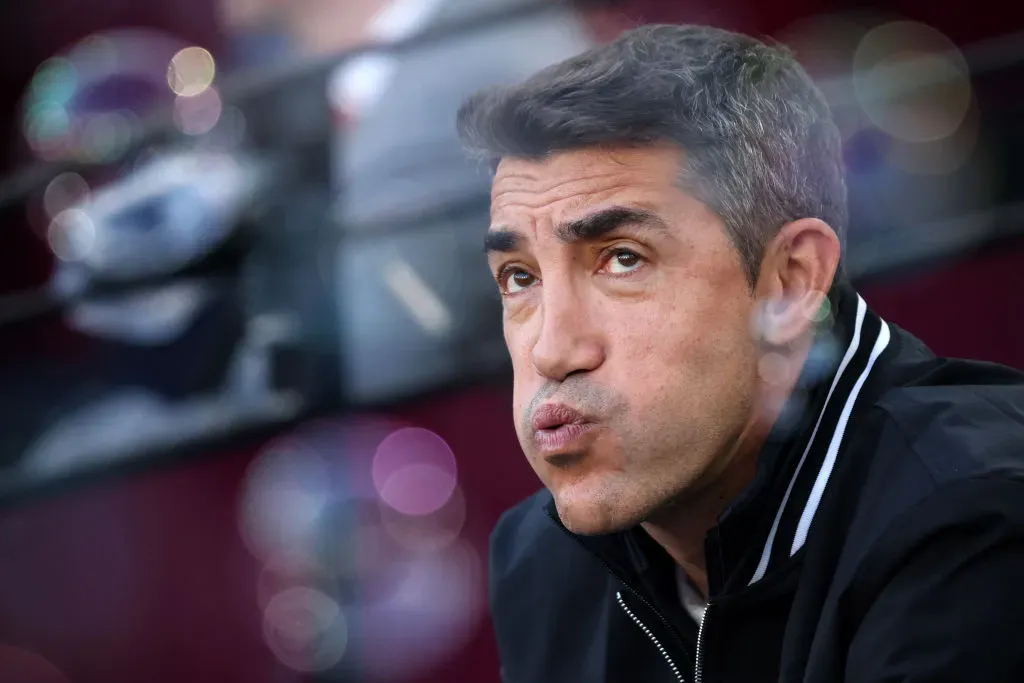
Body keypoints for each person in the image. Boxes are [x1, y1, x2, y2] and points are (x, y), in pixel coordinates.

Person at [456, 23, 1024, 683]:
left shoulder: (972, 513)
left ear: (791, 281)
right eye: (519, 277)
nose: (553, 350)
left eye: (623, 259)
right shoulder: (542, 560)